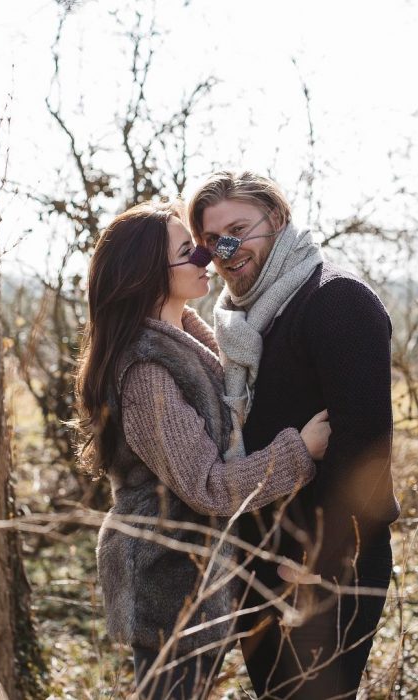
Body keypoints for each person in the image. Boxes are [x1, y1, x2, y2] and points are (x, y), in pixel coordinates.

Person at [74, 200, 331, 699]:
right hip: (167, 582)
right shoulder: (147, 372)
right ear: (148, 273)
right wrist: (299, 450)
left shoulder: (190, 337)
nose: (207, 260)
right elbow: (209, 486)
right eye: (188, 253)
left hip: (198, 575)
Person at [188, 171, 400, 700]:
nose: (226, 250)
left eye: (238, 229)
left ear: (277, 218)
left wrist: (320, 562)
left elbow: (366, 450)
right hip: (260, 563)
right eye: (212, 241)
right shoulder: (243, 319)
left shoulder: (335, 299)